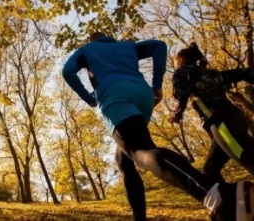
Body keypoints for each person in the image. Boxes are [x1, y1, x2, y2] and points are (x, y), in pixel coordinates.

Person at [61, 32, 254, 221]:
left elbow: (67, 71)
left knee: (141, 151)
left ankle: (217, 195)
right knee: (124, 159)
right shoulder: (126, 45)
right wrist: (157, 84)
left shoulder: (87, 49)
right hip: (142, 95)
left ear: (91, 40)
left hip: (115, 95)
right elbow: (159, 46)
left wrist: (89, 99)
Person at [169, 42, 254, 184]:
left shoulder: (181, 73)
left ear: (181, 60)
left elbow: (182, 95)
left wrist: (177, 114)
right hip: (233, 118)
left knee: (248, 158)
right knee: (210, 170)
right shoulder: (211, 73)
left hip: (222, 123)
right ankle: (231, 203)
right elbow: (241, 73)